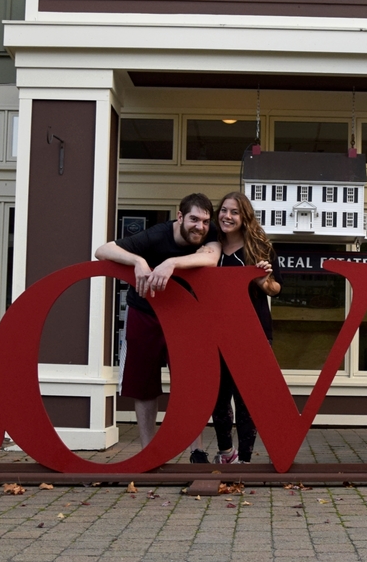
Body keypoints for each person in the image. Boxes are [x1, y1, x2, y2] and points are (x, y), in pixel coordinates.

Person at [95, 193, 222, 462]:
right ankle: (148, 451)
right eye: (194, 219)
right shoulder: (156, 235)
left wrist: (171, 262)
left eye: (205, 221)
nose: (200, 226)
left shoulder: (210, 235)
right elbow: (102, 250)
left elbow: (211, 258)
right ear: (180, 217)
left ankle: (196, 451)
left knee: (190, 383)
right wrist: (138, 261)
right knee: (143, 385)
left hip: (186, 317)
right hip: (144, 314)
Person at [209, 191, 281, 464]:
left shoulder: (260, 249)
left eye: (234, 212)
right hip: (217, 333)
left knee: (246, 398)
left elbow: (275, 290)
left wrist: (264, 278)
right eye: (224, 210)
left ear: (244, 217)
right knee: (218, 397)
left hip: (252, 334)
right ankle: (226, 452)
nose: (228, 216)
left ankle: (246, 459)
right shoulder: (210, 248)